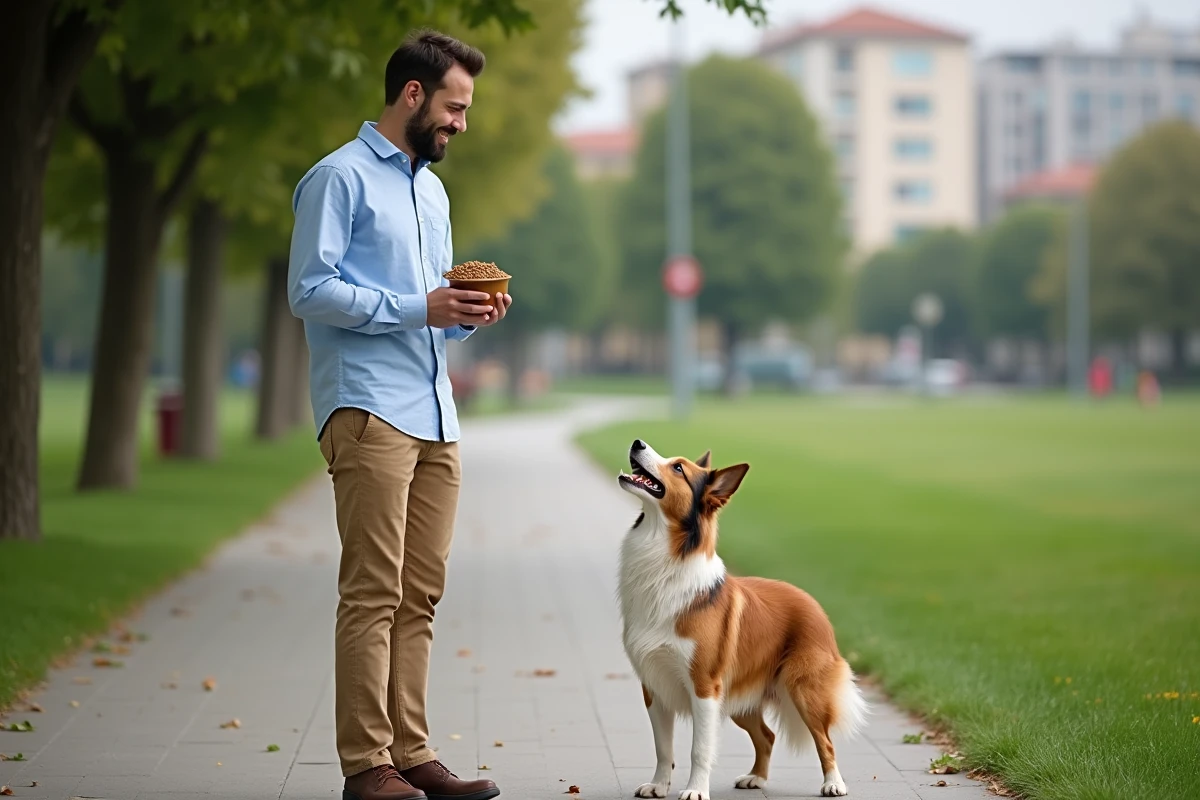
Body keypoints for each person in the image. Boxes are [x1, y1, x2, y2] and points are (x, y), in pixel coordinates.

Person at [287, 28, 510, 800]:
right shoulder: (337, 179)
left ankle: (412, 753)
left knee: (421, 595)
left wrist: (463, 314)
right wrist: (421, 305)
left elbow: (428, 313)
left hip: (435, 413)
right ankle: (365, 765)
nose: (461, 123)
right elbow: (309, 291)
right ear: (412, 94)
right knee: (372, 594)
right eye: (454, 106)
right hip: (369, 411)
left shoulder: (431, 189)